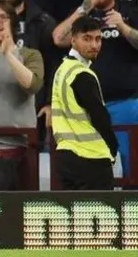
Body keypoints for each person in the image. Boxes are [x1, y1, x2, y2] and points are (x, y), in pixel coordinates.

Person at [51, 17, 117, 190]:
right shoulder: (82, 74)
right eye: (87, 38)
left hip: (66, 158)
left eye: (98, 39)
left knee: (74, 216)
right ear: (73, 40)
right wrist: (113, 147)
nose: (94, 45)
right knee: (102, 216)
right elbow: (100, 117)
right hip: (92, 159)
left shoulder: (62, 70)